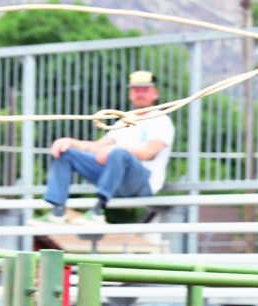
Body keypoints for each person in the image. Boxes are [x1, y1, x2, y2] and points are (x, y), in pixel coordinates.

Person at [36, 70, 175, 225]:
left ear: (155, 94)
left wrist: (116, 150)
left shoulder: (161, 120)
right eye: (136, 90)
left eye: (144, 90)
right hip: (116, 179)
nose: (139, 93)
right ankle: (57, 212)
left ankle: (97, 211)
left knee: (119, 153)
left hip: (142, 184)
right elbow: (97, 147)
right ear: (130, 94)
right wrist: (69, 142)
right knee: (66, 153)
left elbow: (149, 153)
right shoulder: (123, 120)